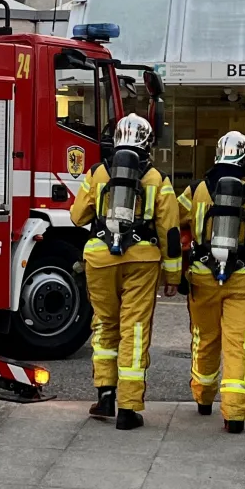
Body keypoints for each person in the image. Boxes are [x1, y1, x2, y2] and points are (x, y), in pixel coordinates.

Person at [69, 114, 181, 431]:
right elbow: (170, 232)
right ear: (148, 143)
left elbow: (78, 217)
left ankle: (105, 395)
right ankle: (129, 409)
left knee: (105, 324)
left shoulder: (97, 173)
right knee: (135, 330)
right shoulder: (159, 179)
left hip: (101, 258)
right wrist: (172, 276)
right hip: (142, 261)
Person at [177, 132, 245, 433]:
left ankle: (203, 397)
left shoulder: (197, 190)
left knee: (205, 337)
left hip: (202, 275)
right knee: (238, 345)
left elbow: (172, 218)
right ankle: (235, 414)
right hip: (242, 278)